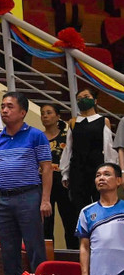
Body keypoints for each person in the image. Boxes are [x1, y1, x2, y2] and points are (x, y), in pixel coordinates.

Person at [0, 91, 52, 275]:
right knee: (8, 249)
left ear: (23, 112)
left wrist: (45, 200)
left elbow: (47, 168)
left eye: (10, 106)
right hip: (3, 200)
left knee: (34, 247)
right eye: (3, 106)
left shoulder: (36, 136)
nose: (4, 110)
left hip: (28, 196)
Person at [60, 88, 117, 232]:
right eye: (79, 98)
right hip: (77, 170)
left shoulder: (103, 121)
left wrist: (111, 171)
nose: (83, 100)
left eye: (86, 96)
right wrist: (65, 173)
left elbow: (108, 147)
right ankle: (83, 238)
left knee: (101, 202)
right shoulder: (73, 122)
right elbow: (68, 149)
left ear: (95, 100)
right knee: (79, 206)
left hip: (97, 168)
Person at [77, 162, 124, 275]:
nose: (101, 178)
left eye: (107, 174)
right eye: (98, 175)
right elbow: (84, 247)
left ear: (119, 180)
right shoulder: (86, 212)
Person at [40, 103, 77, 248]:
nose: (45, 116)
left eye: (49, 113)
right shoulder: (39, 137)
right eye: (43, 113)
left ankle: (73, 255)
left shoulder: (66, 136)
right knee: (45, 224)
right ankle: (47, 259)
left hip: (62, 182)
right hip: (42, 183)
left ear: (58, 116)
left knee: (69, 220)